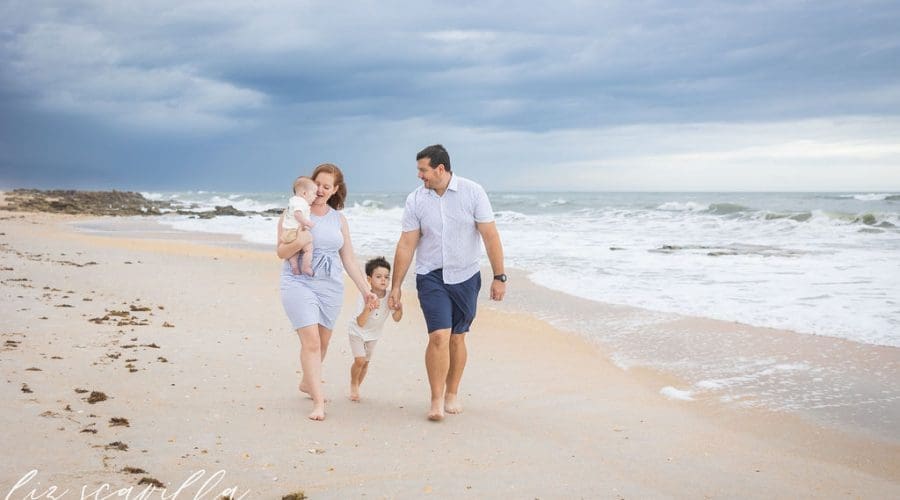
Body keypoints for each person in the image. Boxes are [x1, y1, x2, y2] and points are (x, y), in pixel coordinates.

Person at [388, 144, 507, 421]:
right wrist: (395, 285)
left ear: (440, 169)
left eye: (423, 170)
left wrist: (499, 276)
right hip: (431, 275)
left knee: (457, 337)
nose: (419, 176)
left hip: (466, 275)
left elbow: (490, 235)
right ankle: (437, 399)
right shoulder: (416, 200)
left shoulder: (473, 192)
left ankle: (453, 392)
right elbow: (407, 244)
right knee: (439, 336)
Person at [277, 163, 377, 421]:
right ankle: (319, 402)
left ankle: (306, 382)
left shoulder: (339, 219)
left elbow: (350, 260)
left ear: (335, 190)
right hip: (299, 280)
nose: (320, 190)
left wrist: (367, 291)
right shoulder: (293, 212)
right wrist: (299, 241)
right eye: (317, 184)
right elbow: (281, 252)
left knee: (322, 343)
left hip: (331, 286)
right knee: (310, 342)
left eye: (326, 186)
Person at [348, 256, 403, 402]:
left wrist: (399, 308)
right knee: (359, 360)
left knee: (365, 362)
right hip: (357, 332)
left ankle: (358, 386)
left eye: (386, 277)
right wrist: (368, 308)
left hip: (373, 335)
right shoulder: (365, 295)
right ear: (369, 279)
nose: (383, 280)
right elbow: (360, 322)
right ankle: (354, 384)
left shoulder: (389, 296)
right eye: (378, 277)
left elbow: (397, 318)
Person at [281, 176, 318, 276]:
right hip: (294, 232)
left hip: (287, 233)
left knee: (295, 253)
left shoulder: (293, 201)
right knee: (308, 249)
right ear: (304, 193)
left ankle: (294, 267)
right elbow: (298, 214)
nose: (315, 196)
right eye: (314, 193)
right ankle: (306, 267)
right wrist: (306, 223)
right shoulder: (300, 202)